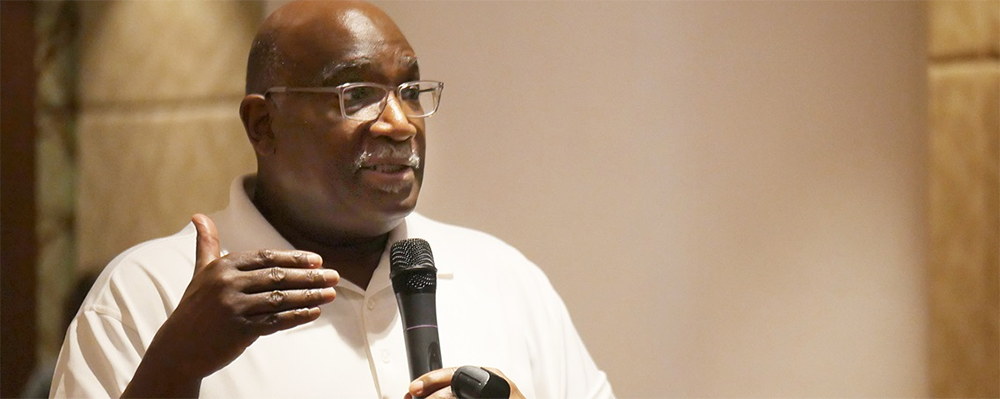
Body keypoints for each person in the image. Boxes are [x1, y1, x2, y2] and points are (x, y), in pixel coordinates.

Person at [50, 1, 614, 398]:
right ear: (264, 125)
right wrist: (177, 366)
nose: (400, 123)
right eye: (359, 95)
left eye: (411, 91)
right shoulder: (147, 294)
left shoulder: (507, 281)